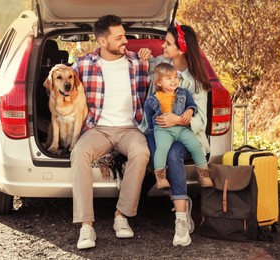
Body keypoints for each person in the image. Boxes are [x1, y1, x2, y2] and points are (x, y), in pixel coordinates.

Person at [70, 15, 151, 250]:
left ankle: (121, 215)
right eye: (120, 37)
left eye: (125, 35)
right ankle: (86, 225)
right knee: (80, 152)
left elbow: (169, 74)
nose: (126, 40)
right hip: (99, 128)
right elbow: (62, 86)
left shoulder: (139, 62)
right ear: (102, 42)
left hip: (130, 127)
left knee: (141, 151)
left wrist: (152, 56)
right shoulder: (83, 64)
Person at [146, 23, 212, 247]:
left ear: (181, 49)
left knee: (173, 154)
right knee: (160, 155)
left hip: (186, 133)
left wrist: (178, 119)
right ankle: (182, 204)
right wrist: (141, 55)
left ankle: (181, 221)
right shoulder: (158, 65)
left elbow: (201, 120)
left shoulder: (196, 81)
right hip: (160, 130)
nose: (162, 46)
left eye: (168, 43)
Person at [144, 63, 213, 190]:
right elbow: (149, 116)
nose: (174, 81)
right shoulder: (152, 99)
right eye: (168, 78)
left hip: (181, 128)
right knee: (162, 149)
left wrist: (189, 112)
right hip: (163, 130)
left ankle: (203, 175)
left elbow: (191, 105)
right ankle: (161, 178)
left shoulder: (183, 93)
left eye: (176, 77)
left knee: (195, 145)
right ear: (158, 82)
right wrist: (154, 132)